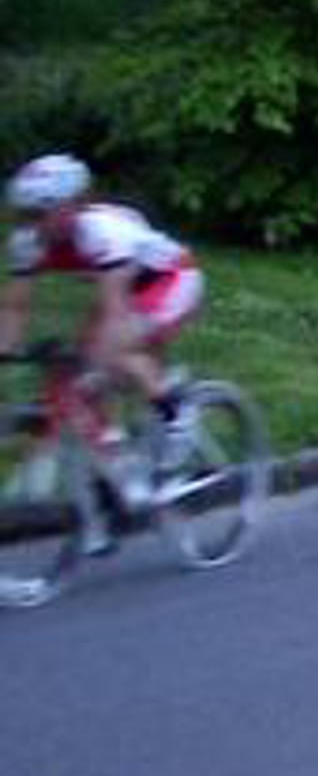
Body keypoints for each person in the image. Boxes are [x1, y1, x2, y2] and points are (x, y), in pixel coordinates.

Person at [2, 154, 205, 513]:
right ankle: (119, 464)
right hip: (125, 289)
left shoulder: (101, 233)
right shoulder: (27, 243)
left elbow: (115, 312)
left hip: (172, 278)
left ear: (69, 208)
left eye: (40, 213)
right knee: (86, 371)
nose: (32, 224)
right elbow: (14, 308)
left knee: (115, 354)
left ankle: (177, 412)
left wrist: (95, 369)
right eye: (25, 214)